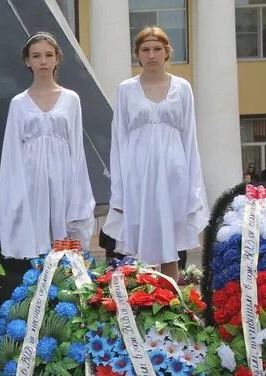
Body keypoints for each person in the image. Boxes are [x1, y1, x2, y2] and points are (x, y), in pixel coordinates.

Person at [102, 26, 207, 279]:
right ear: (137, 54)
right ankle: (144, 305)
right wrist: (119, 189)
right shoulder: (126, 90)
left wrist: (193, 187)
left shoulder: (182, 88)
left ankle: (172, 307)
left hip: (173, 173)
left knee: (169, 246)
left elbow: (189, 138)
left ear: (167, 52)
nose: (151, 55)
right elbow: (119, 140)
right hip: (138, 173)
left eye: (157, 49)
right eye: (145, 49)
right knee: (142, 245)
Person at [0, 32, 94, 258]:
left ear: (57, 58)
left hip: (63, 179)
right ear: (27, 60)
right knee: (36, 249)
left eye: (48, 55)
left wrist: (78, 194)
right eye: (36, 55)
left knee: (65, 252)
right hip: (32, 182)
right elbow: (11, 153)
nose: (43, 61)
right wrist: (14, 196)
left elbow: (77, 149)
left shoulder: (71, 99)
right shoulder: (19, 103)